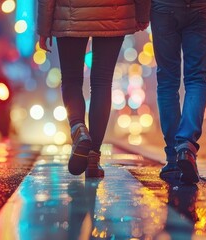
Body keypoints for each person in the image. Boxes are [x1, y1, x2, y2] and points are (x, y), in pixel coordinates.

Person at [37, 0, 150, 178]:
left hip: (69, 14)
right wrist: (143, 13)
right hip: (114, 12)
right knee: (102, 82)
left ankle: (78, 129)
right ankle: (93, 158)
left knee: (71, 79)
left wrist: (43, 28)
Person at [151, 0, 206, 184]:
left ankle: (173, 157)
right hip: (202, 7)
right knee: (196, 78)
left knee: (167, 82)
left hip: (164, 6)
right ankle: (186, 146)